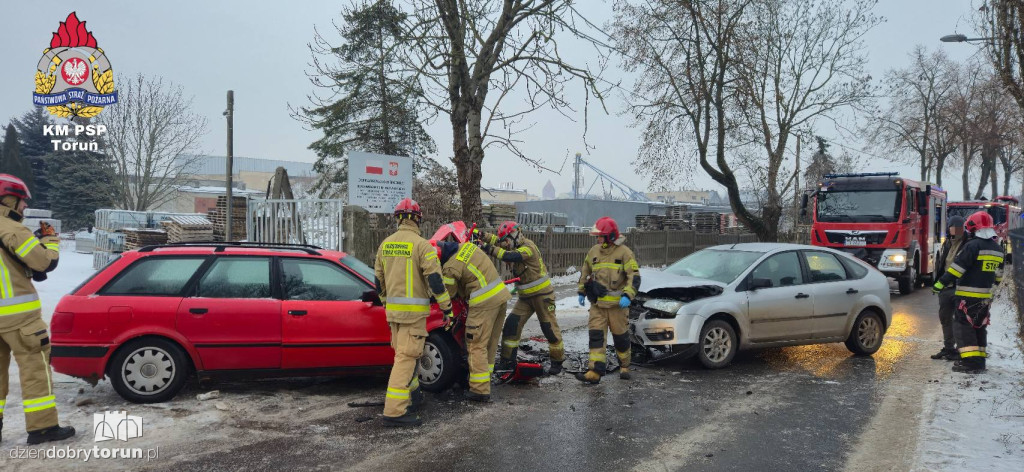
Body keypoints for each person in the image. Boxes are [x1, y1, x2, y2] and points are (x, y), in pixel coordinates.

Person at [0, 174, 76, 444]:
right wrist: (51, 241)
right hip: (19, 319)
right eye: (21, 203)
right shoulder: (12, 229)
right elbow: (44, 263)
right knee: (34, 371)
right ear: (8, 199)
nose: (23, 208)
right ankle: (43, 428)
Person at [373, 198, 453, 426]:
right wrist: (447, 308)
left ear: (397, 218)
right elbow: (436, 281)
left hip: (394, 317)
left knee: (404, 357)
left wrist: (386, 303)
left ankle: (413, 396)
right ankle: (395, 412)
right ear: (417, 219)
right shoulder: (422, 246)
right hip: (414, 317)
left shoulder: (385, 245)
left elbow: (378, 281)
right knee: (406, 360)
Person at [478, 221, 565, 375]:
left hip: (542, 296)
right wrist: (482, 236)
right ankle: (507, 361)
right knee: (512, 325)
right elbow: (498, 242)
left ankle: (557, 361)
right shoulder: (513, 243)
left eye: (507, 239)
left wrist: (487, 248)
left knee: (549, 328)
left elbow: (508, 255)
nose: (506, 243)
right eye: (505, 240)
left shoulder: (527, 248)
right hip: (525, 297)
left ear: (516, 234)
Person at [437, 240, 511, 402]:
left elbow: (448, 293)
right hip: (500, 297)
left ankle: (479, 389)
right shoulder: (466, 246)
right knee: (489, 342)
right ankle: (485, 377)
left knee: (475, 343)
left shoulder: (450, 268)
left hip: (484, 303)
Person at [932, 211, 1004, 374]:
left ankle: (970, 363)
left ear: (974, 227)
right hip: (985, 298)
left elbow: (957, 269)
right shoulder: (998, 249)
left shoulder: (972, 246)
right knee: (979, 328)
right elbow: (999, 276)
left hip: (967, 296)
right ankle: (979, 362)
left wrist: (939, 284)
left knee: (964, 328)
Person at [575, 217, 641, 384]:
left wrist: (627, 295)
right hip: (597, 305)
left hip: (617, 307)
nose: (597, 239)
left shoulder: (624, 252)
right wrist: (581, 291)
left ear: (610, 236)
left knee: (621, 338)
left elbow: (634, 277)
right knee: (596, 337)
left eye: (600, 236)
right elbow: (585, 271)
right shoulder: (594, 252)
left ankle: (625, 365)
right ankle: (595, 371)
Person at [930, 215, 966, 361]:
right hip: (946, 288)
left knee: (960, 320)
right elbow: (943, 264)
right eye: (952, 227)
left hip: (960, 287)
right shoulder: (947, 243)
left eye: (958, 227)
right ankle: (949, 349)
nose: (955, 230)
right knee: (945, 319)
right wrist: (938, 282)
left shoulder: (968, 244)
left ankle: (961, 350)